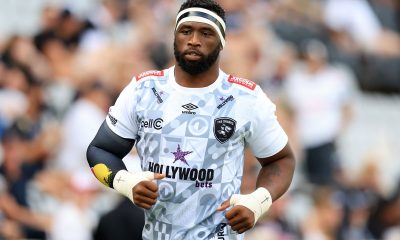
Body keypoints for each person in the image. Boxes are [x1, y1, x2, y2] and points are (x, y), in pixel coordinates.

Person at [86, 0, 295, 239]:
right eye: (186, 31)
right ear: (174, 36)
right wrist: (125, 183)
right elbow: (100, 149)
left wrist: (258, 202)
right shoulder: (143, 90)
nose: (194, 40)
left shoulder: (246, 98)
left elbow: (282, 160)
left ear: (222, 42)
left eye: (206, 33)